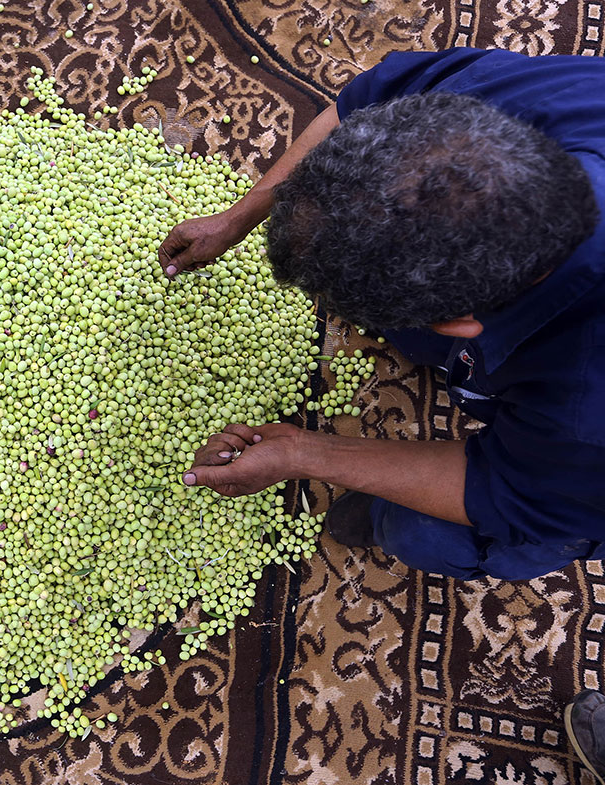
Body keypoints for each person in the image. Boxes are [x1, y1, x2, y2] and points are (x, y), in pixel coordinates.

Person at [156, 47, 605, 779]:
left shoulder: (585, 420)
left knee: (438, 530)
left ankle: (399, 525)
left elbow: (501, 490)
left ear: (461, 325)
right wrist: (242, 214)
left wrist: (305, 451)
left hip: (575, 476)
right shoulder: (526, 102)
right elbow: (358, 103)